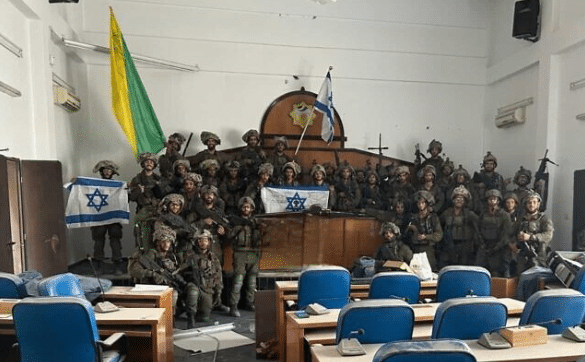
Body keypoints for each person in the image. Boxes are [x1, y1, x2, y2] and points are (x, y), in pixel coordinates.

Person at [128, 225, 184, 308]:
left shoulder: (172, 256)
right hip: (150, 287)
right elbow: (134, 270)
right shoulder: (151, 254)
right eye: (163, 241)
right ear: (157, 242)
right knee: (173, 295)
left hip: (167, 286)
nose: (166, 244)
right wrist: (153, 274)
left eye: (168, 241)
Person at [180, 230, 225, 327]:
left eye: (205, 240)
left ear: (209, 242)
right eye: (200, 240)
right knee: (192, 291)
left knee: (204, 318)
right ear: (196, 242)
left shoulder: (213, 258)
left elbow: (218, 276)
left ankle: (195, 312)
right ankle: (190, 317)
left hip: (208, 288)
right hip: (194, 285)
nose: (203, 243)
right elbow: (179, 272)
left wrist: (219, 292)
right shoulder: (190, 256)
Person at [228, 197, 262, 317]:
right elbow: (228, 237)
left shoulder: (256, 222)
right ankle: (233, 306)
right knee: (238, 281)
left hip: (254, 253)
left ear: (252, 209)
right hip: (240, 253)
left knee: (252, 282)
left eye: (248, 207)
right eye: (243, 207)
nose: (246, 209)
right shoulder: (236, 222)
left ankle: (250, 303)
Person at [91, 160, 124, 275]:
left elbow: (125, 199)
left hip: (113, 216)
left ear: (112, 172)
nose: (107, 172)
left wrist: (126, 190)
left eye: (109, 170)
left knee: (115, 240)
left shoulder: (118, 186)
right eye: (105, 170)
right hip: (99, 216)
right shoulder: (94, 185)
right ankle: (98, 265)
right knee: (99, 241)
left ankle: (118, 265)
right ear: (101, 172)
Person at [129, 152, 164, 252]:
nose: (149, 164)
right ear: (143, 164)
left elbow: (163, 196)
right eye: (147, 162)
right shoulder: (137, 179)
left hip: (157, 211)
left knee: (158, 237)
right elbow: (131, 197)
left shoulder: (159, 180)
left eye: (151, 162)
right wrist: (138, 191)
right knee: (142, 237)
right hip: (143, 211)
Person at [515, 190, 554, 275]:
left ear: (538, 204)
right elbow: (512, 232)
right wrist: (514, 244)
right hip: (523, 256)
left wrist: (531, 237)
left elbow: (548, 235)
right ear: (525, 204)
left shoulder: (544, 219)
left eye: (534, 202)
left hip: (539, 255)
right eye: (529, 202)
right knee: (521, 278)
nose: (531, 205)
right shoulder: (520, 219)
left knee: (537, 279)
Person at [439, 185, 479, 267]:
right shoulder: (447, 213)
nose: (459, 200)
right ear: (453, 200)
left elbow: (478, 226)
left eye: (462, 199)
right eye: (457, 198)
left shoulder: (470, 214)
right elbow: (439, 224)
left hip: (465, 246)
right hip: (449, 245)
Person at [476, 189, 512, 277]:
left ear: (498, 200)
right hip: (484, 246)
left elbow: (506, 233)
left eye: (494, 198)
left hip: (498, 248)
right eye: (490, 199)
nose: (492, 200)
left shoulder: (504, 215)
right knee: (479, 271)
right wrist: (482, 244)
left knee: (496, 273)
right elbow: (478, 230)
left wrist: (497, 247)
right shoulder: (483, 214)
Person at [407, 190, 443, 271]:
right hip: (415, 248)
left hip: (428, 248)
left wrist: (426, 236)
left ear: (427, 204)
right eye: (418, 203)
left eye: (423, 203)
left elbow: (439, 235)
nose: (420, 205)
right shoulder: (413, 218)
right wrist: (412, 230)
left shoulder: (433, 217)